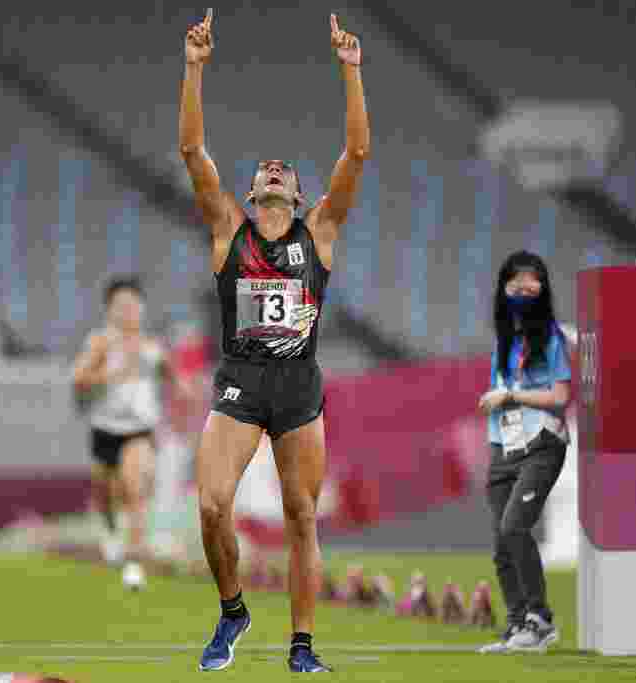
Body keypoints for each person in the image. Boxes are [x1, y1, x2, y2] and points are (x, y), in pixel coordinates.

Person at [179, 8, 369, 672]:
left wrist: (351, 71)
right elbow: (191, 154)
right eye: (263, 186)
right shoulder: (228, 229)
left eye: (283, 187)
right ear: (252, 194)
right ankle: (233, 611)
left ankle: (302, 646)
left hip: (297, 388)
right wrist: (194, 67)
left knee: (300, 515)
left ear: (297, 196)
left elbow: (358, 154)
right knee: (209, 505)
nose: (272, 193)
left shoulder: (316, 237)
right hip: (239, 380)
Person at [477, 250, 572, 653]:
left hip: (542, 446)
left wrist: (511, 394)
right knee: (502, 545)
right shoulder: (504, 340)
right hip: (505, 449)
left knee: (515, 528)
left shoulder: (551, 338)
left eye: (533, 284)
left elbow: (560, 396)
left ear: (544, 290)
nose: (524, 291)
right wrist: (495, 448)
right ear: (503, 289)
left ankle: (540, 620)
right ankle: (519, 626)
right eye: (516, 284)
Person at [73, 277, 190, 588]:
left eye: (133, 305)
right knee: (107, 493)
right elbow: (79, 379)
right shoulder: (99, 343)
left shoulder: (151, 347)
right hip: (105, 429)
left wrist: (179, 385)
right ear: (109, 310)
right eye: (120, 306)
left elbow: (172, 375)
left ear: (141, 309)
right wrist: (114, 373)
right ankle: (110, 530)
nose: (127, 311)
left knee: (135, 489)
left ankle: (134, 563)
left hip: (140, 430)